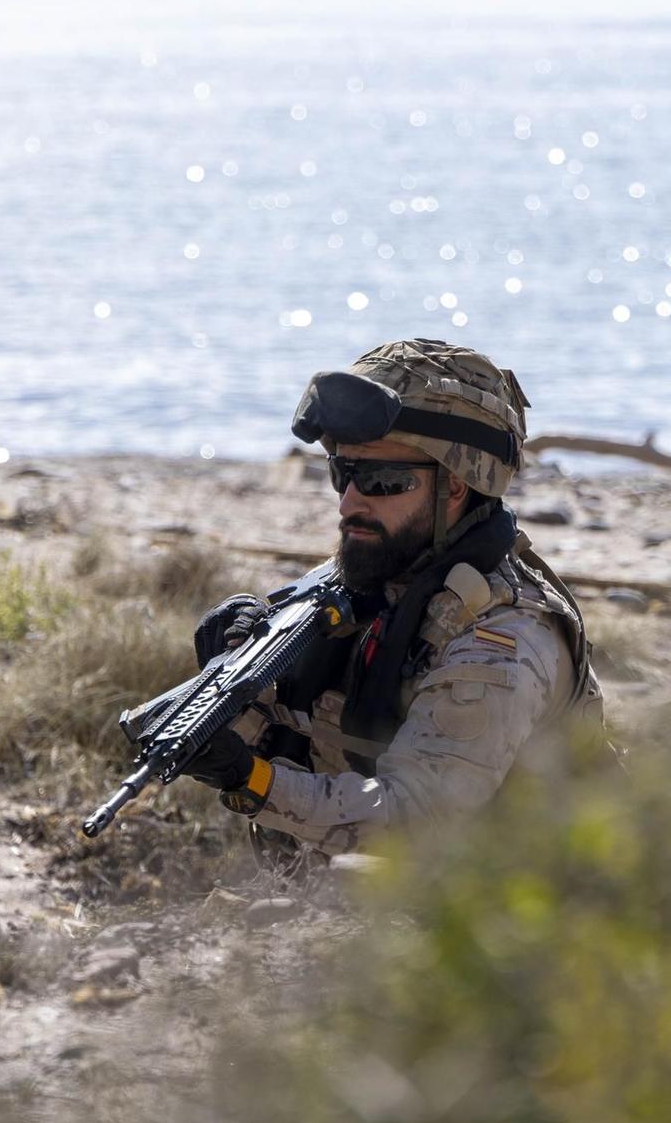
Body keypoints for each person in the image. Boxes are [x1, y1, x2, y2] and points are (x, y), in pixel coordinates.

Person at [177, 338, 604, 862]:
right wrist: (231, 683)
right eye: (342, 473)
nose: (350, 502)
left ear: (456, 487)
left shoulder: (508, 635)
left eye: (381, 480)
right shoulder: (361, 581)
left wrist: (254, 780)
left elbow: (418, 814)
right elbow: (301, 734)